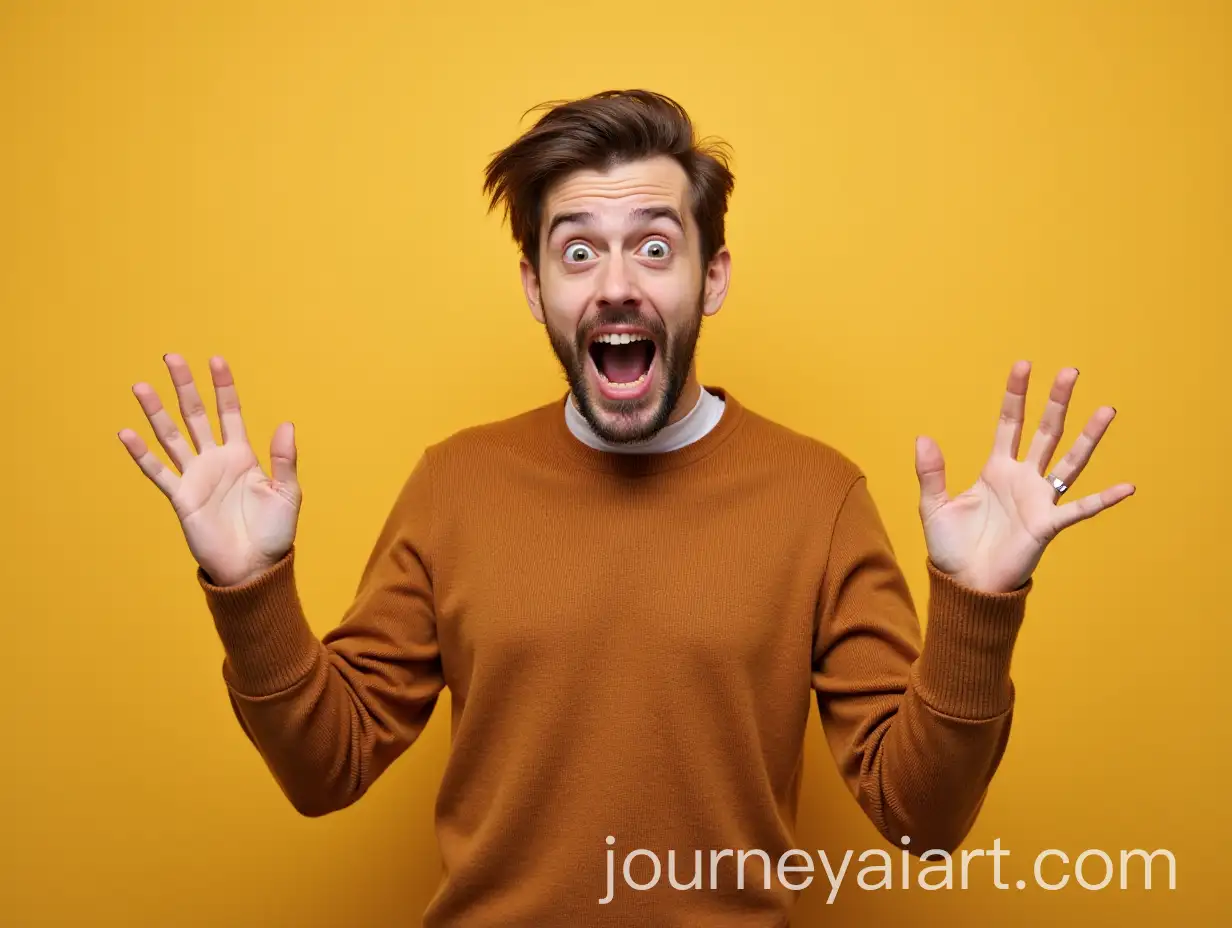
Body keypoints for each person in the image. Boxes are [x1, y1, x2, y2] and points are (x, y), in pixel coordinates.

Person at [117, 89, 1135, 927]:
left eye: (654, 247)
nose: (614, 284)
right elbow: (323, 766)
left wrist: (975, 607)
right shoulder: (453, 486)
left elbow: (919, 819)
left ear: (711, 276)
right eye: (576, 251)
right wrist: (248, 589)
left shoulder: (818, 500)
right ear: (533, 287)